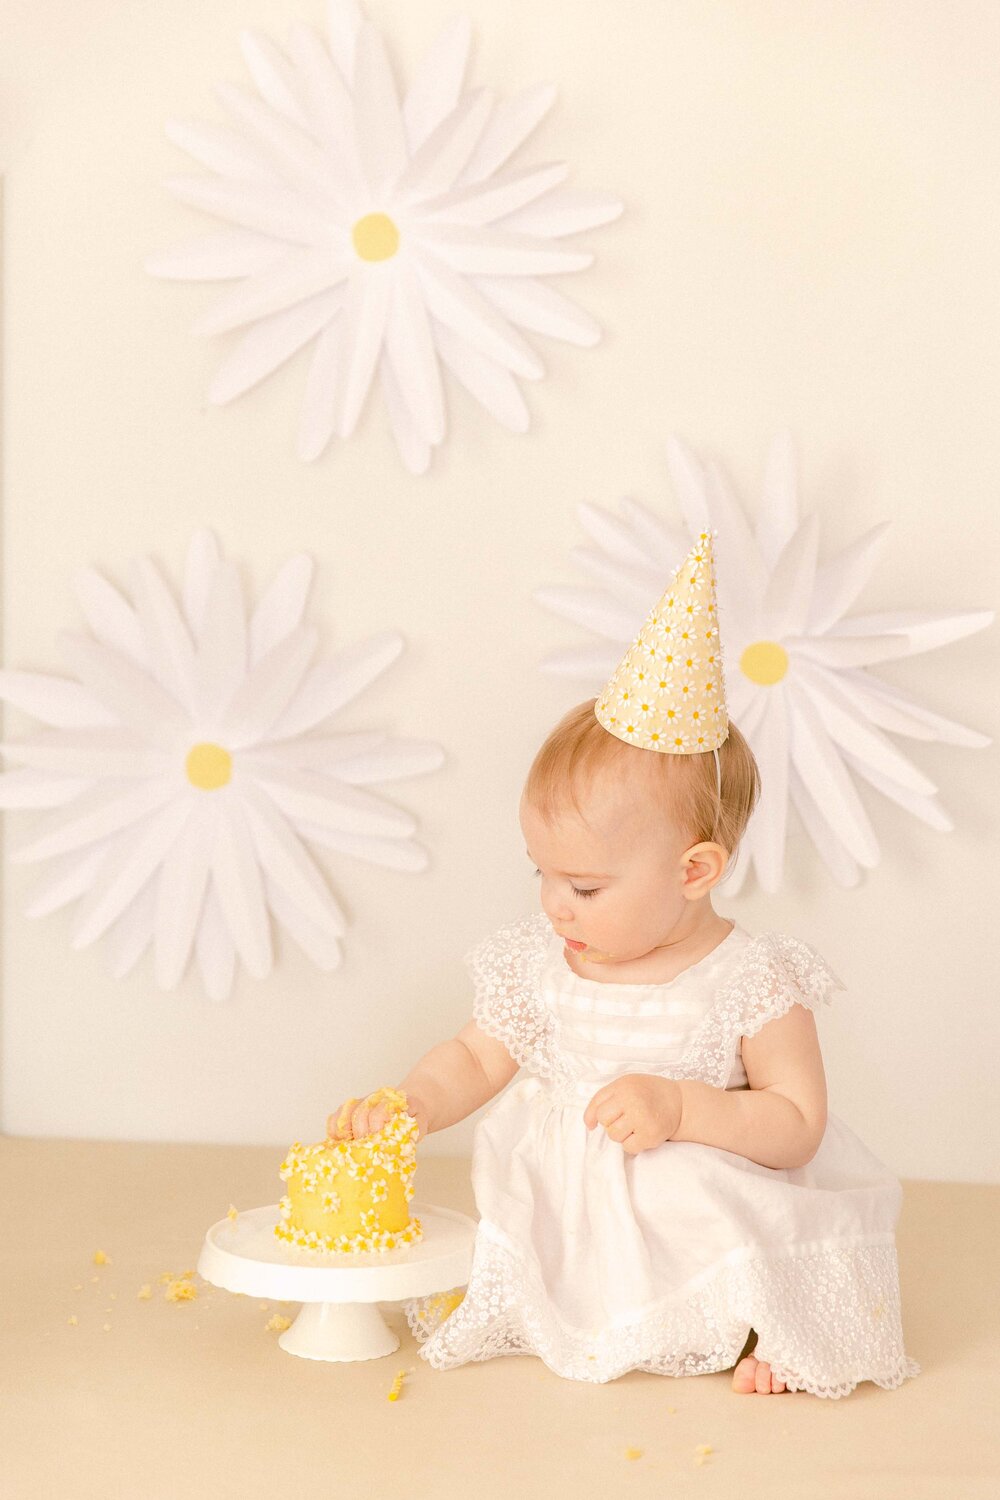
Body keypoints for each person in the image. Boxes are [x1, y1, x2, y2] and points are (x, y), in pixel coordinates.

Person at [327, 533, 920, 1398]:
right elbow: (475, 1056)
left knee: (720, 1217)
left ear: (695, 872)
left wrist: (682, 1108)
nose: (555, 906)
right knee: (516, 1229)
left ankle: (763, 1328)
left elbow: (796, 1122)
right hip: (565, 1203)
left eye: (584, 885)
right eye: (543, 874)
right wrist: (415, 1103)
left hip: (686, 1179)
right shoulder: (543, 964)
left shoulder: (751, 980)